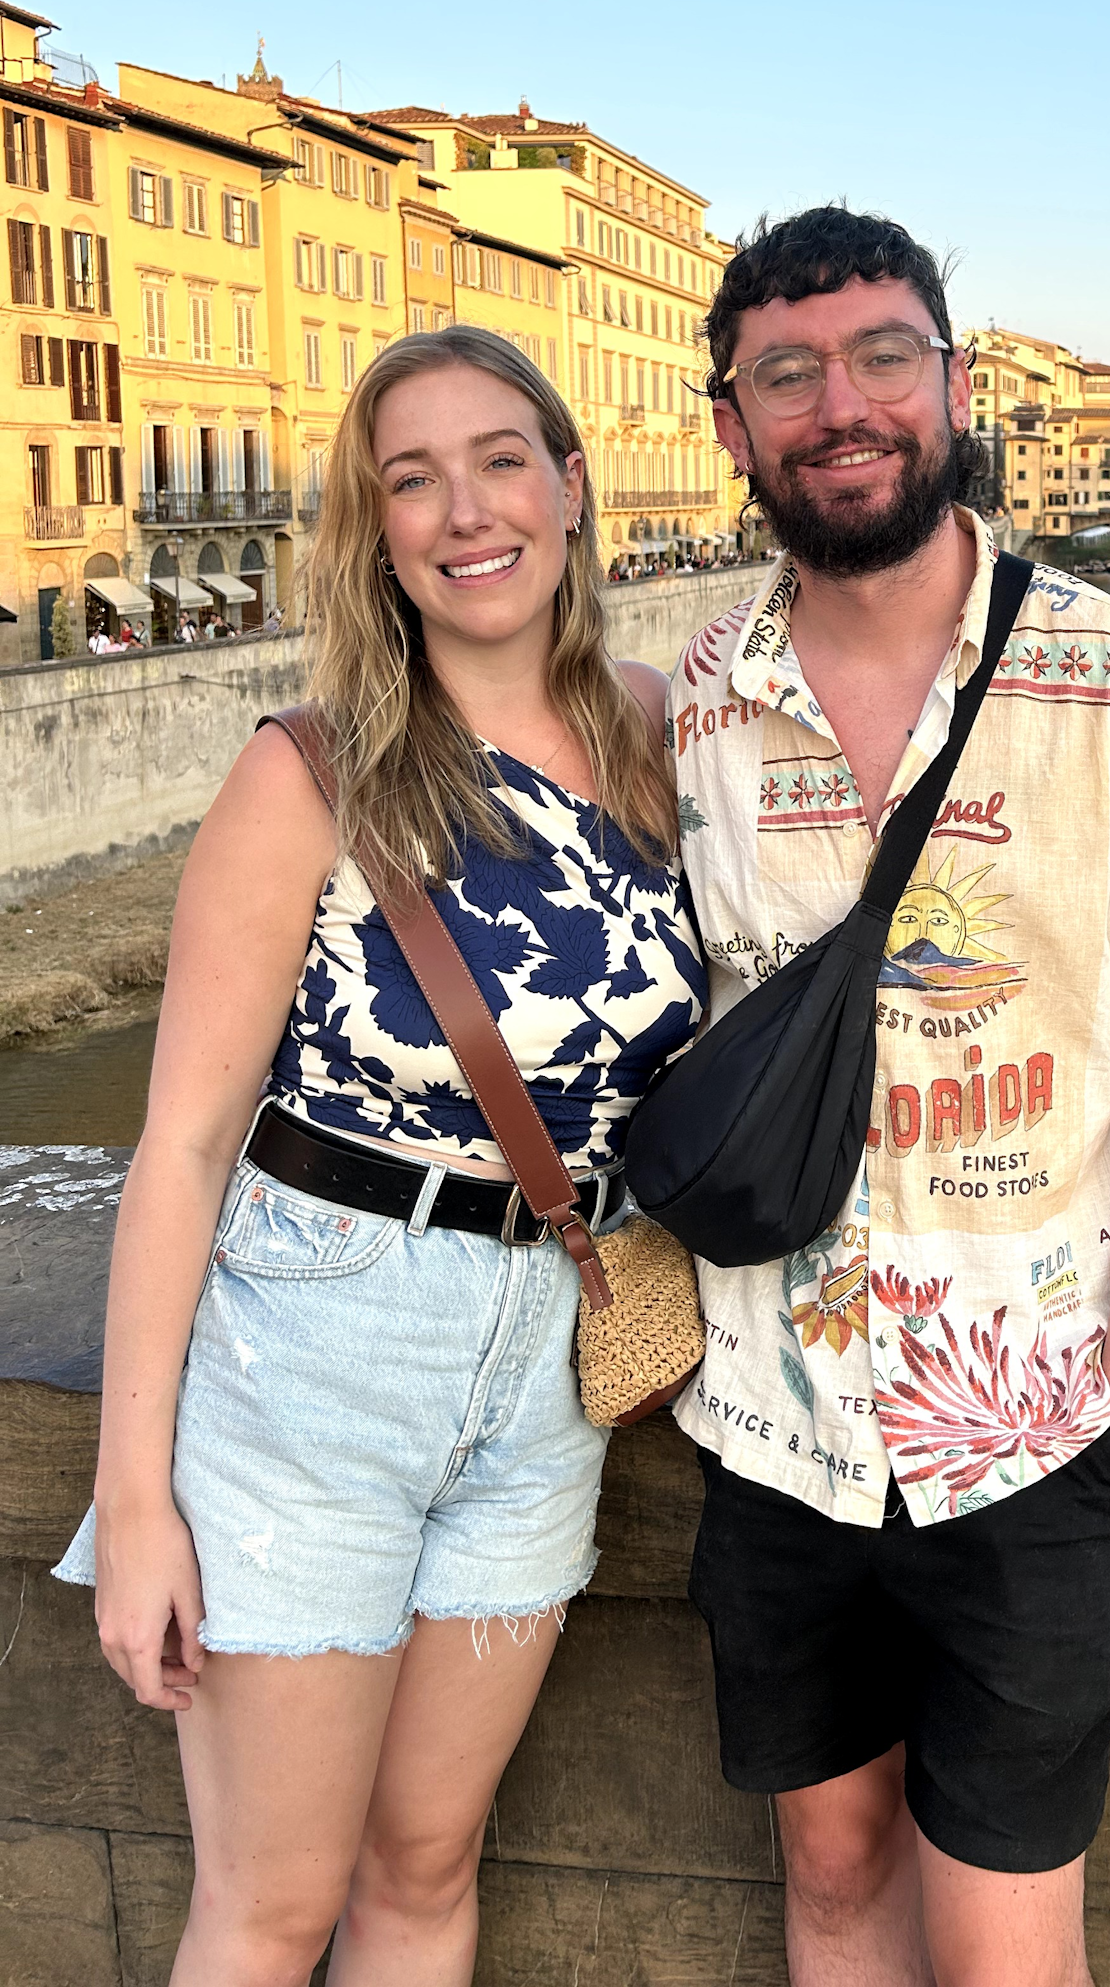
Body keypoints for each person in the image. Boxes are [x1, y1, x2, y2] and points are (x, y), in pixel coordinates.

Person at [671, 207, 1110, 1987]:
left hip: (1028, 1437)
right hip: (768, 1423)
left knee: (1014, 1947)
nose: (838, 403)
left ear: (950, 385)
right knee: (834, 1874)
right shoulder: (702, 696)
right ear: (735, 423)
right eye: (787, 372)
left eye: (881, 357)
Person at [56, 326, 705, 1986]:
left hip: (556, 1362)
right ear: (376, 532)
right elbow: (184, 1143)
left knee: (424, 1869)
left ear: (571, 486)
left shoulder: (652, 733)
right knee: (269, 1910)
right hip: (314, 1348)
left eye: (500, 459)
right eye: (409, 480)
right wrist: (135, 1503)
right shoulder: (309, 775)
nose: (463, 510)